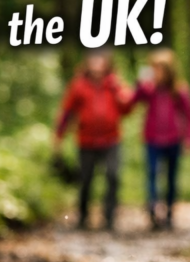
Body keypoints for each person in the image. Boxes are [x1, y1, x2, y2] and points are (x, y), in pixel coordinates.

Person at [54, 50, 132, 231]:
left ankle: (109, 217)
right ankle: (82, 217)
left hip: (111, 139)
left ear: (107, 62)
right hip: (86, 140)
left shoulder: (114, 83)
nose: (97, 63)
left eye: (100, 59)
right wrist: (59, 134)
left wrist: (121, 95)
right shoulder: (79, 84)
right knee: (85, 179)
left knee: (113, 175)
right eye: (93, 59)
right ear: (87, 62)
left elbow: (127, 108)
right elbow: (67, 111)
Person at [129, 49, 190, 230]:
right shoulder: (149, 89)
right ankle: (152, 208)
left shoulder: (179, 90)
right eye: (154, 69)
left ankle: (169, 212)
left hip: (173, 139)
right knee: (152, 174)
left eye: (160, 69)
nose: (157, 73)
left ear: (168, 71)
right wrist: (140, 84)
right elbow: (132, 101)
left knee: (171, 177)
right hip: (152, 139)